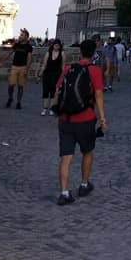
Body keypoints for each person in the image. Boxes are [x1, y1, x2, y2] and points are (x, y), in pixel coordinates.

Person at [54, 38, 106, 205]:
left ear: (80, 52)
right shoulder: (94, 70)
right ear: (93, 53)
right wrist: (102, 117)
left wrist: (57, 111)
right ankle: (84, 184)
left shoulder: (68, 68)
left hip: (65, 119)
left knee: (66, 156)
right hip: (85, 118)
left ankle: (64, 192)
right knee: (87, 151)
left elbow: (57, 90)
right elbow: (98, 95)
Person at [6, 28, 33, 110]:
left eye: (22, 35)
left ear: (26, 37)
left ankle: (18, 102)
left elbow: (29, 59)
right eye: (20, 35)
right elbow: (10, 53)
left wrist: (27, 70)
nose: (20, 36)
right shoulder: (16, 44)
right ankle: (10, 97)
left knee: (21, 86)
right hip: (14, 67)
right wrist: (2, 60)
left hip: (23, 67)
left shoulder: (29, 47)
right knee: (11, 85)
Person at [37, 39, 65, 115]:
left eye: (58, 45)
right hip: (47, 74)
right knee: (46, 91)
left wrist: (63, 76)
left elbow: (63, 66)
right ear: (53, 45)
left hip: (57, 75)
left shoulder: (62, 53)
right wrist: (40, 74)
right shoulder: (48, 53)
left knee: (53, 92)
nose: (57, 47)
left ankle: (52, 109)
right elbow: (44, 65)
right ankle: (44, 108)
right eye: (55, 45)